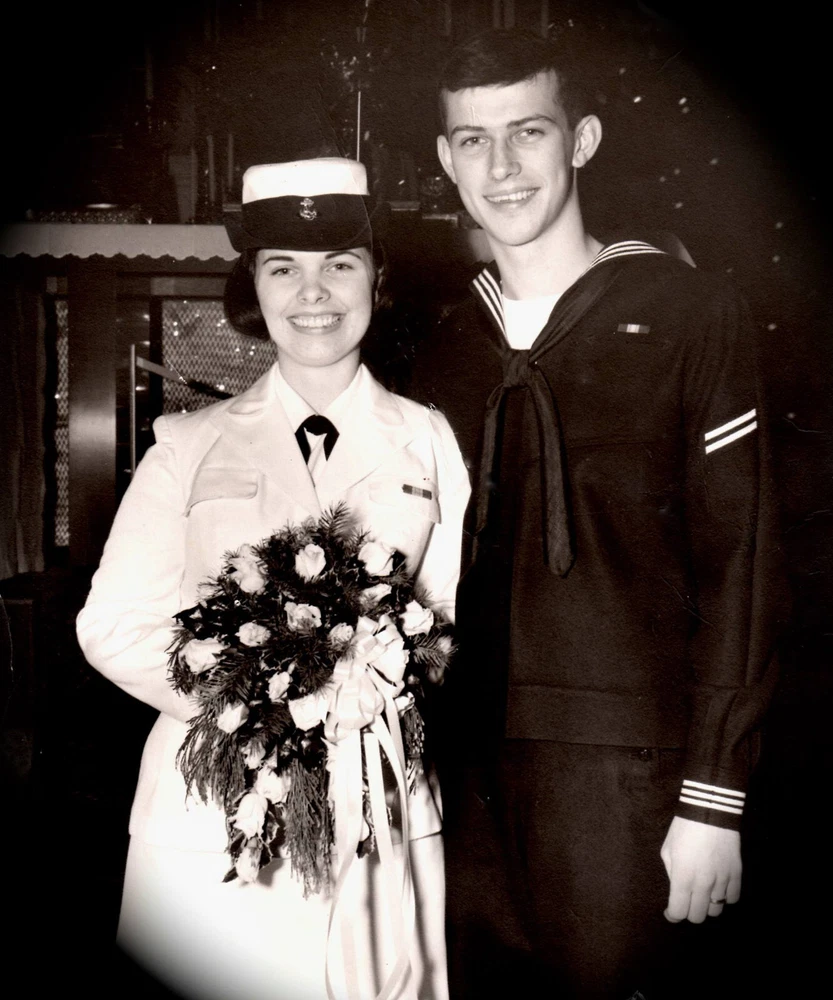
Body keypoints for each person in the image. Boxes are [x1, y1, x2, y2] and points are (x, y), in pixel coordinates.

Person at [408, 29, 785, 1000]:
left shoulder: (689, 314)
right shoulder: (446, 346)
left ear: (580, 140)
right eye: (473, 140)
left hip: (624, 771)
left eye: (527, 132)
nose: (501, 166)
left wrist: (713, 796)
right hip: (461, 773)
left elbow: (742, 564)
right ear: (446, 158)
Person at [76, 157, 470, 1000]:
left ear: (377, 279)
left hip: (377, 806)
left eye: (340, 264)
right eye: (282, 267)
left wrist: (369, 693)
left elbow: (444, 625)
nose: (313, 293)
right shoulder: (188, 443)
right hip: (214, 811)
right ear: (253, 287)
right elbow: (111, 624)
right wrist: (260, 701)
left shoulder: (429, 441)